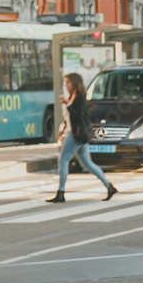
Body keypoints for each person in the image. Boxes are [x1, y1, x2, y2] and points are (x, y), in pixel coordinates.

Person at [47, 72, 117, 203]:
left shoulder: (80, 98)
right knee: (87, 163)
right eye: (65, 83)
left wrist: (67, 103)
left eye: (68, 82)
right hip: (76, 134)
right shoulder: (72, 97)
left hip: (77, 135)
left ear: (74, 83)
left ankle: (61, 192)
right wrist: (62, 129)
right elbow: (69, 118)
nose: (66, 85)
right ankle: (109, 186)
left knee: (63, 160)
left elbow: (77, 115)